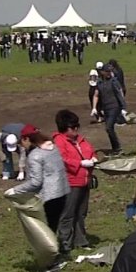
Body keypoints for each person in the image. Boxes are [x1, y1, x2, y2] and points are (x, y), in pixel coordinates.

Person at [7, 125, 72, 272]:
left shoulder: (35, 155)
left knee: (44, 234)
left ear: (26, 139)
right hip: (62, 192)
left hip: (48, 196)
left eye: (22, 141)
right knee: (52, 229)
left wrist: (16, 190)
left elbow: (36, 182)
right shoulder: (53, 148)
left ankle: (49, 267)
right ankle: (55, 260)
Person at [54, 109, 97, 255]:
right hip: (70, 182)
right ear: (65, 128)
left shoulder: (80, 140)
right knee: (68, 214)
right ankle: (65, 244)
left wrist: (93, 159)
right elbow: (62, 159)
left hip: (84, 181)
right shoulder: (59, 141)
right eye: (73, 127)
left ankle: (81, 241)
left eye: (77, 126)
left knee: (81, 212)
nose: (77, 130)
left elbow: (90, 150)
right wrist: (80, 163)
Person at [91, 67, 127, 153]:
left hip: (114, 107)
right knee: (109, 129)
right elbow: (96, 95)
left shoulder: (113, 81)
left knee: (109, 127)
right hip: (105, 108)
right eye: (106, 71)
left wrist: (123, 107)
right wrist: (94, 108)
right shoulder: (99, 83)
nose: (108, 73)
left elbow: (119, 93)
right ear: (102, 72)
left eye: (109, 71)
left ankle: (117, 147)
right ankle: (115, 148)